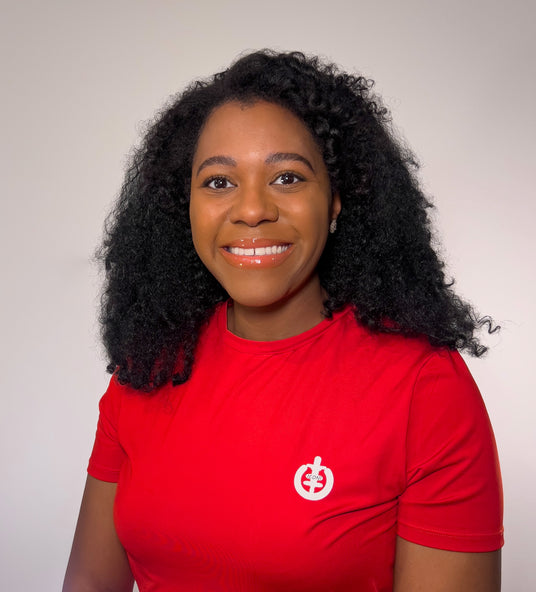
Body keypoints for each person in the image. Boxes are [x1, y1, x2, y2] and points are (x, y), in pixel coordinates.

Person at [63, 50, 503, 591]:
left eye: (288, 177)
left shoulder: (424, 388)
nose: (251, 210)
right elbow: (88, 582)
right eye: (219, 182)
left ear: (336, 200)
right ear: (186, 207)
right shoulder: (150, 364)